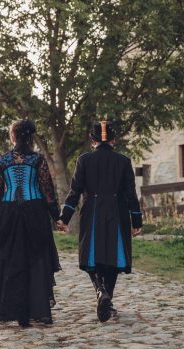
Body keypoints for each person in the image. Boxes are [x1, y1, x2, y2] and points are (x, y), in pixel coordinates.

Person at [0, 120, 61, 327]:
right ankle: (36, 309)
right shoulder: (37, 160)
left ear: (13, 136)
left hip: (10, 213)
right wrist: (57, 217)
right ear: (29, 137)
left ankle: (11, 308)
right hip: (35, 212)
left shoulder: (2, 161)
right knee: (36, 259)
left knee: (10, 259)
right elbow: (48, 191)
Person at [57, 120, 142, 322]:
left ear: (92, 140)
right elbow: (131, 194)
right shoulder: (123, 161)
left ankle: (100, 291)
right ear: (114, 139)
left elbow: (75, 191)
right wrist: (136, 221)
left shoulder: (84, 160)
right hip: (117, 213)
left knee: (91, 257)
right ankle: (107, 298)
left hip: (92, 212)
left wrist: (64, 218)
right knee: (112, 259)